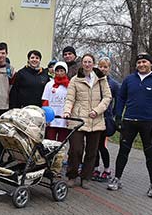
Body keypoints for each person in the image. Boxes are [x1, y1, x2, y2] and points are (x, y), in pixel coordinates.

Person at [107, 53, 152, 198]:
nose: (141, 65)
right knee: (123, 151)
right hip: (129, 121)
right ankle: (117, 179)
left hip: (149, 123)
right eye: (139, 62)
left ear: (150, 64)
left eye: (144, 62)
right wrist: (118, 117)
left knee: (150, 154)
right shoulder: (129, 79)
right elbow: (121, 98)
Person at [62, 54, 111, 189]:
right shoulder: (75, 80)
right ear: (82, 64)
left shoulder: (101, 79)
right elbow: (70, 98)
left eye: (90, 62)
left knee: (92, 151)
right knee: (75, 149)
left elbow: (107, 97)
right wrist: (67, 111)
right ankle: (72, 175)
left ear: (93, 64)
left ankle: (86, 177)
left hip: (96, 119)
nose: (87, 64)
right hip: (78, 119)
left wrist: (97, 110)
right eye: (85, 62)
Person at [93, 56, 120, 181]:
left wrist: (113, 114)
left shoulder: (113, 84)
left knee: (101, 145)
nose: (102, 69)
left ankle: (107, 169)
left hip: (105, 118)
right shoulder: (93, 80)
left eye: (105, 67)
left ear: (109, 68)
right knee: (93, 145)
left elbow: (118, 100)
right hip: (93, 116)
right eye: (100, 66)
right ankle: (95, 168)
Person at [41, 61, 70, 141]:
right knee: (50, 141)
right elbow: (45, 101)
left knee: (62, 141)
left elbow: (71, 101)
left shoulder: (70, 85)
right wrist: (47, 117)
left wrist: (69, 117)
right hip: (52, 118)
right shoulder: (49, 84)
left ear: (65, 72)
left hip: (63, 118)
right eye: (57, 71)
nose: (59, 73)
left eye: (62, 71)